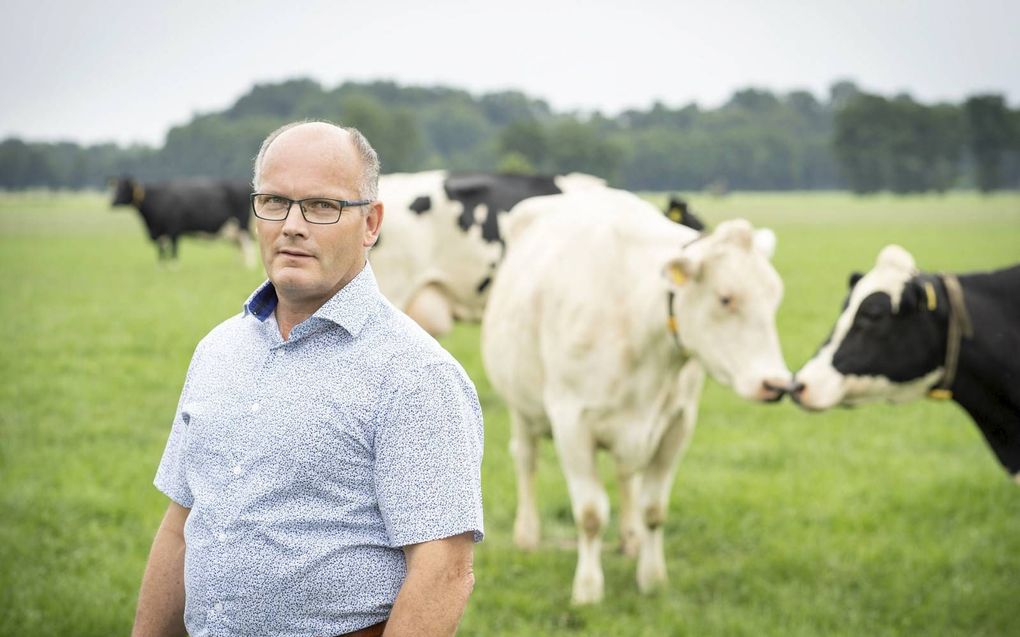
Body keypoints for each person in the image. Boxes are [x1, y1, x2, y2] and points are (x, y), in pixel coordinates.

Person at [132, 121, 484, 637]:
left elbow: (444, 571)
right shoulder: (217, 351)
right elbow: (181, 528)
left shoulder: (417, 375)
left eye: (322, 206)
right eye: (274, 201)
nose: (292, 224)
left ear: (371, 223)